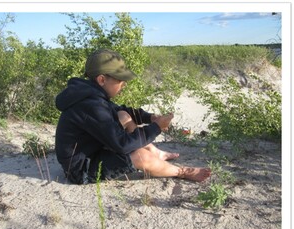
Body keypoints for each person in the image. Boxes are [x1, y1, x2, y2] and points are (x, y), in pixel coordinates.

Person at [55, 49, 211, 184]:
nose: (124, 84)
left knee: (122, 114)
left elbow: (122, 110)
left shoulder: (90, 94)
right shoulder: (91, 105)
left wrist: (151, 118)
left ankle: (155, 152)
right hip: (81, 169)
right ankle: (182, 172)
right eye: (120, 80)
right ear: (102, 79)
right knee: (139, 155)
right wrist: (157, 128)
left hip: (92, 149)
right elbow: (123, 144)